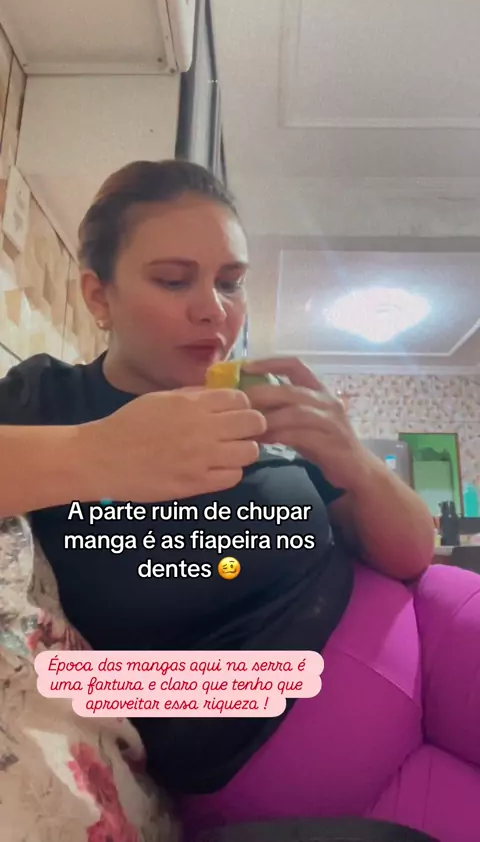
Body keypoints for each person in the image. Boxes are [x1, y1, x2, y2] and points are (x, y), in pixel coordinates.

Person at [0, 161, 435, 800]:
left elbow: (414, 553)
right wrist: (96, 453)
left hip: (437, 653)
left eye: (231, 282)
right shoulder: (50, 397)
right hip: (297, 770)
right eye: (174, 280)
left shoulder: (265, 403)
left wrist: (355, 459)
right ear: (99, 297)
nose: (214, 310)